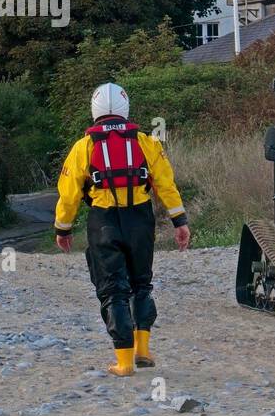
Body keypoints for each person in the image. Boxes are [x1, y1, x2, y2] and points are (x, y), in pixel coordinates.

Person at [54, 83, 190, 377]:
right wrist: (180, 221)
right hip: (140, 220)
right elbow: (166, 184)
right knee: (142, 284)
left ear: (95, 111)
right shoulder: (146, 142)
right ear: (125, 109)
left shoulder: (84, 147)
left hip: (103, 221)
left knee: (113, 289)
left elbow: (69, 194)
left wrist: (62, 228)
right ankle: (143, 350)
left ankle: (124, 362)